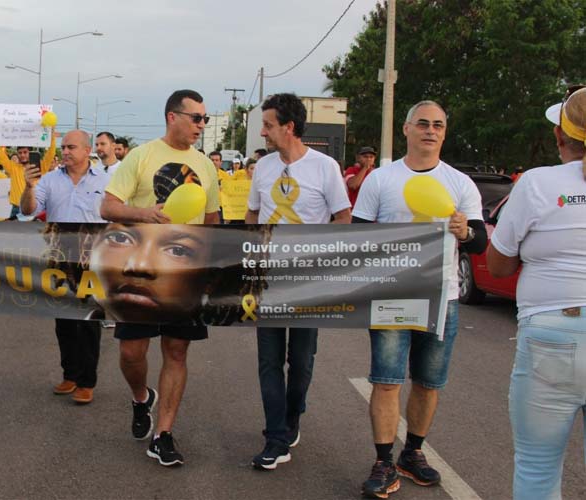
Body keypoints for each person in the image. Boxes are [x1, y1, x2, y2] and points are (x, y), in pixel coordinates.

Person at [352, 100, 487, 498]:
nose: (430, 130)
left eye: (439, 125)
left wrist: (464, 232)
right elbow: (358, 235)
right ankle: (383, 461)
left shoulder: (460, 183)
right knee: (387, 381)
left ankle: (412, 453)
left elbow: (479, 243)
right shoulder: (381, 180)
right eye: (423, 123)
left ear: (444, 133)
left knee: (428, 384)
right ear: (407, 129)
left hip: (443, 297)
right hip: (393, 295)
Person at [100, 89, 220, 467]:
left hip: (182, 273)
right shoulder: (141, 155)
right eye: (196, 118)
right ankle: (140, 398)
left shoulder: (206, 166)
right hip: (137, 269)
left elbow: (213, 221)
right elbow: (107, 207)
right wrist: (144, 214)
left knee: (176, 351)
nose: (202, 125)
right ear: (173, 117)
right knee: (132, 354)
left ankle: (163, 434)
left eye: (205, 118)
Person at [487, 87, 586, 500]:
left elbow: (499, 264)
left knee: (538, 468)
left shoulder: (537, 183)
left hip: (553, 331)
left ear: (558, 136)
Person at [244, 93, 351, 470]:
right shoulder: (264, 168)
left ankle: (293, 415)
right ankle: (275, 437)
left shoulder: (325, 168)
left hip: (310, 282)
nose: (263, 132)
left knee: (301, 361)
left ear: (289, 127)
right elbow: (253, 215)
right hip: (270, 280)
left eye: (269, 125)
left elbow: (342, 218)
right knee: (269, 361)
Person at [21, 130, 109, 404]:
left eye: (71, 147)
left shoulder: (107, 181)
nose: (66, 151)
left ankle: (87, 381)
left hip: (92, 258)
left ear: (86, 150)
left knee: (88, 322)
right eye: (63, 147)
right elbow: (28, 211)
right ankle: (70, 375)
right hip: (58, 258)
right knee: (64, 321)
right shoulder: (48, 180)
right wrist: (28, 187)